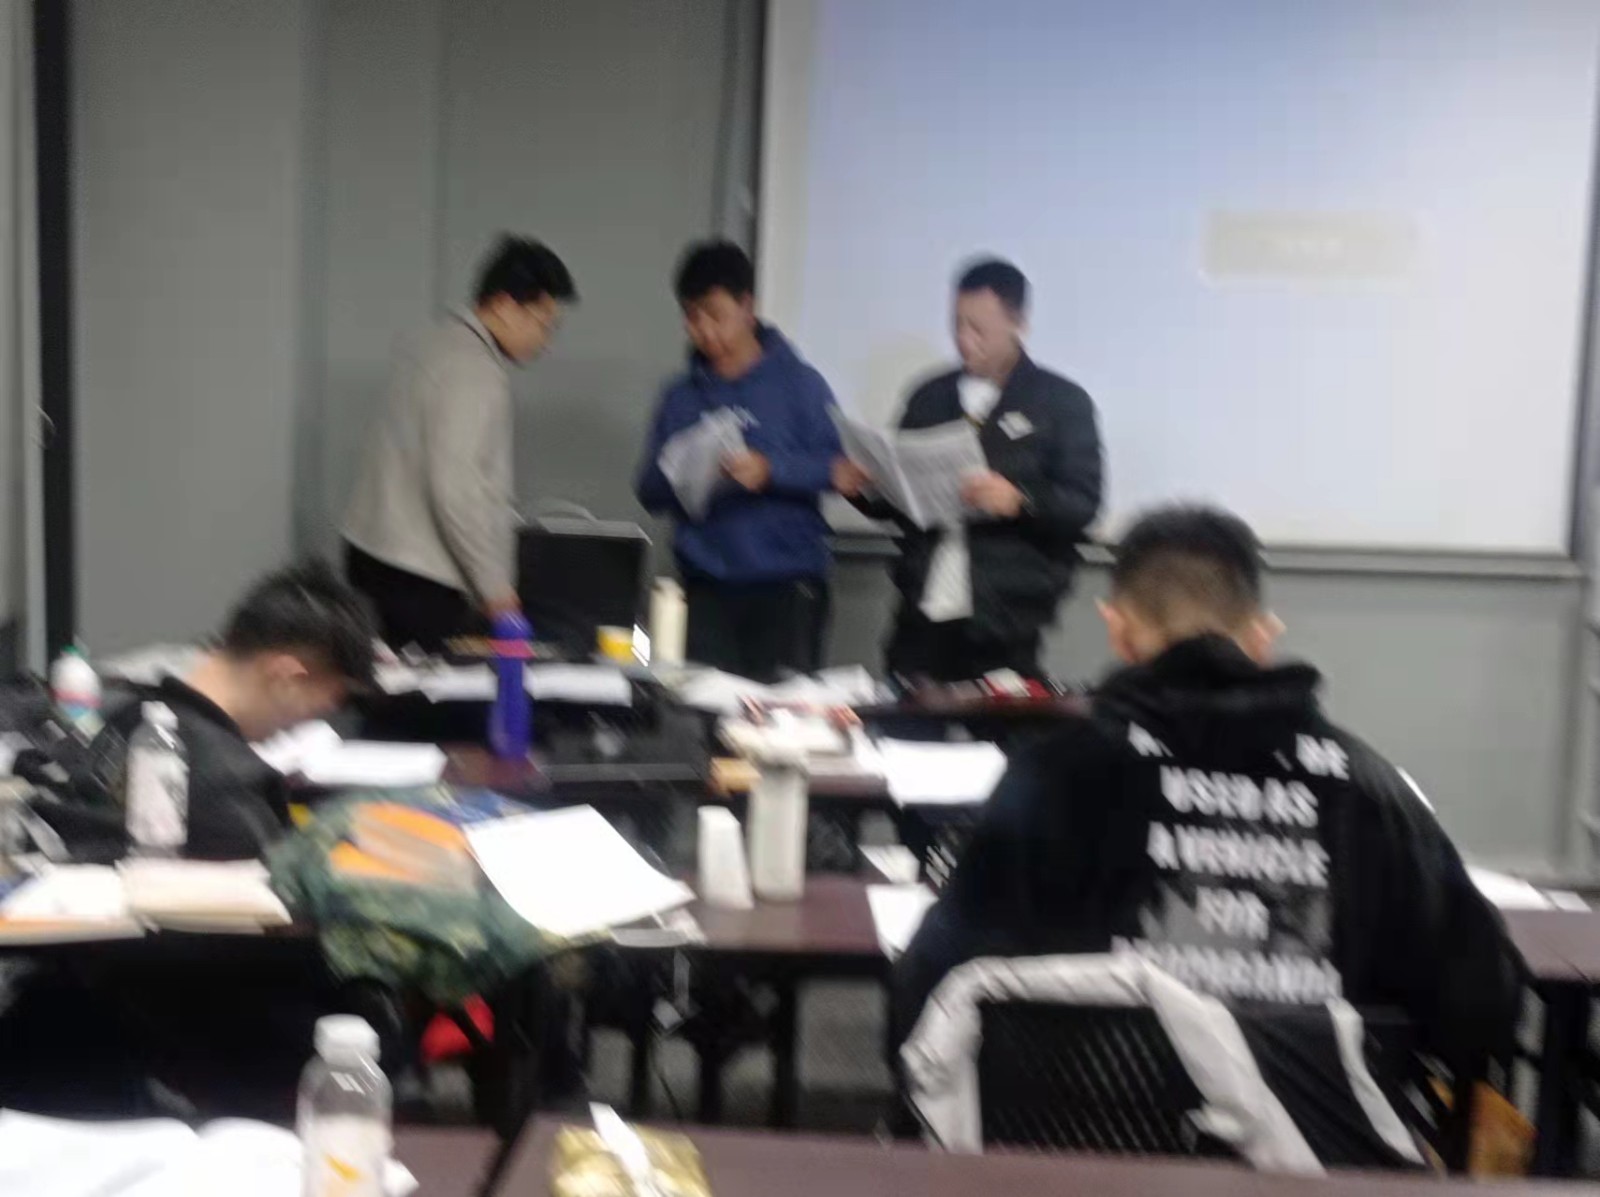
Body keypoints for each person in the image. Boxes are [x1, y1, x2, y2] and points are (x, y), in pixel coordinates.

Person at [895, 505, 1517, 1076]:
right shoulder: (1364, 788)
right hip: (1314, 1148)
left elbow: (931, 989)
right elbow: (1481, 1009)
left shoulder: (1054, 775)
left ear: (1118, 630)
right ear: (1261, 639)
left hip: (1082, 1143)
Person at [837, 257, 1102, 682]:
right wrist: (862, 490)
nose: (964, 340)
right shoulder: (929, 396)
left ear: (1018, 324)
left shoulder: (1061, 402)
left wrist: (1019, 501)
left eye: (979, 329)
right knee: (905, 713)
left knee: (998, 718)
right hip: (921, 608)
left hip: (1007, 614)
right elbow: (900, 500)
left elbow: (1083, 503)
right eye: (957, 325)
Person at [343, 235, 577, 651]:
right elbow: (457, 490)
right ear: (504, 304)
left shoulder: (431, 344)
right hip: (418, 577)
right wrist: (496, 592)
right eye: (543, 324)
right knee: (439, 689)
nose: (545, 341)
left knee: (386, 682)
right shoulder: (477, 371)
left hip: (371, 556)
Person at [74, 560, 377, 860]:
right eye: (330, 701)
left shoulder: (127, 718)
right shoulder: (232, 800)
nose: (313, 719)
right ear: (286, 679)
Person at [635, 240, 841, 681]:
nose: (706, 331)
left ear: (747, 308)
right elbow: (647, 489)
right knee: (698, 710)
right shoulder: (681, 396)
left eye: (716, 316)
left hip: (786, 590)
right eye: (693, 318)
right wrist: (683, 474)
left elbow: (840, 469)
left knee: (780, 714)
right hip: (704, 590)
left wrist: (771, 470)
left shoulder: (801, 385)